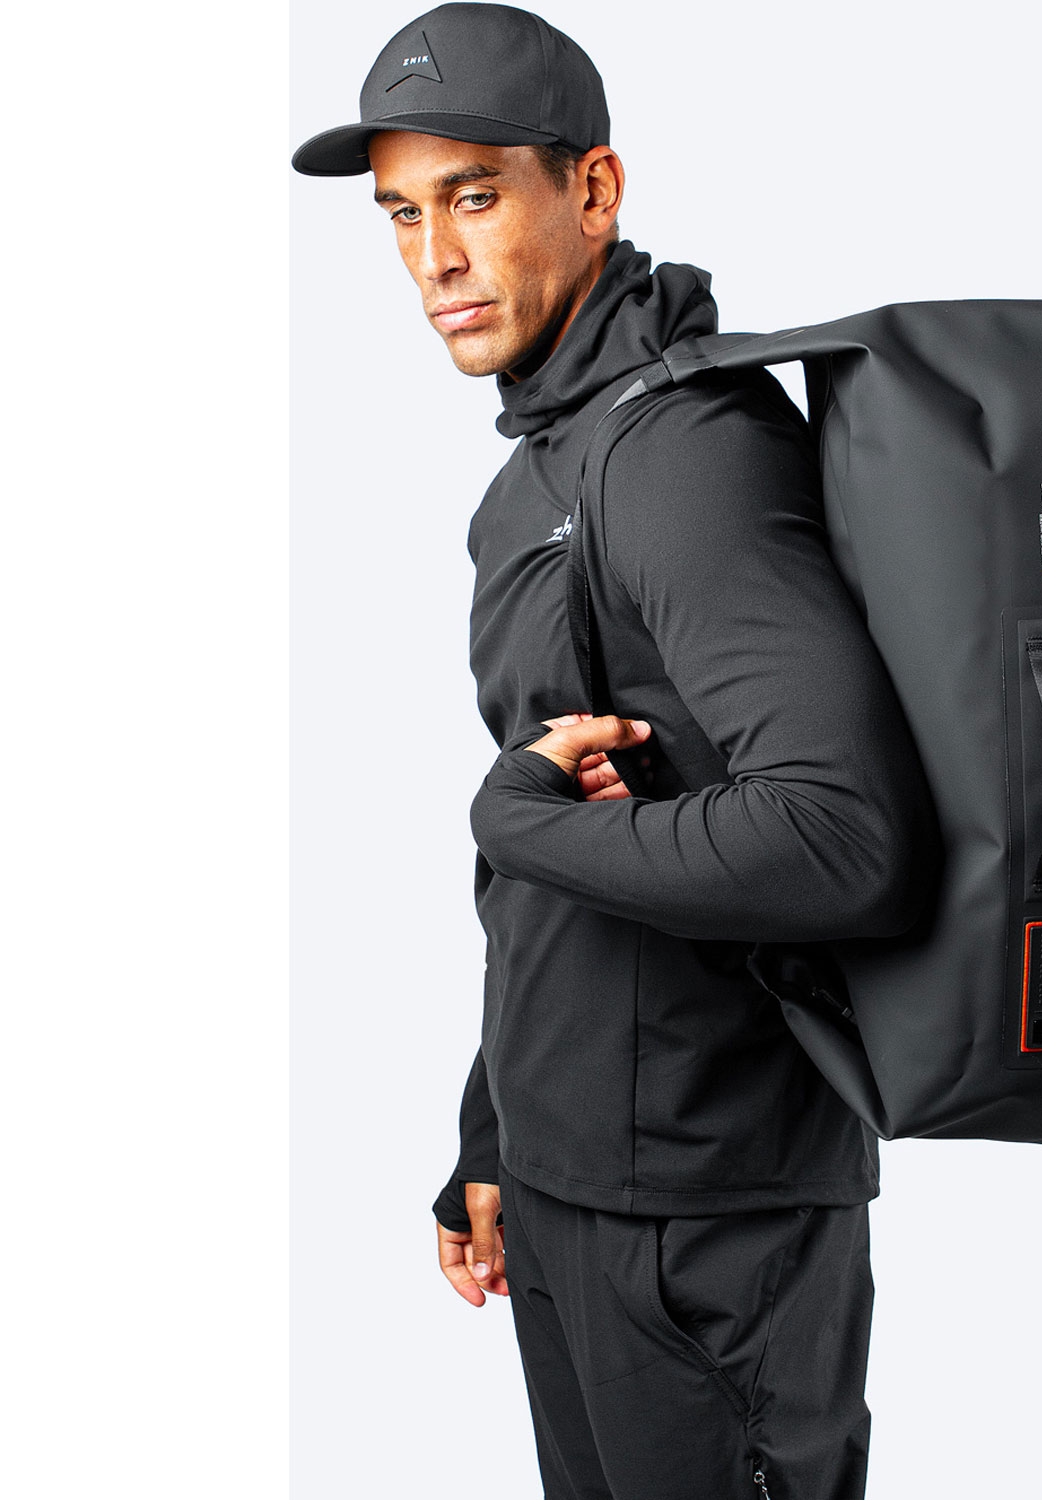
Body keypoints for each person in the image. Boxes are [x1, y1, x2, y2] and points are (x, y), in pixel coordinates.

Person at [293, 6, 940, 1496]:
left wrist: (514, 820)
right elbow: (571, 855)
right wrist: (497, 1128)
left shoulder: (687, 453)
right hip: (572, 1192)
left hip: (712, 1226)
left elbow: (845, 835)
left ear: (593, 190)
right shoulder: (539, 478)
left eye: (473, 197)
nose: (434, 259)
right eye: (402, 215)